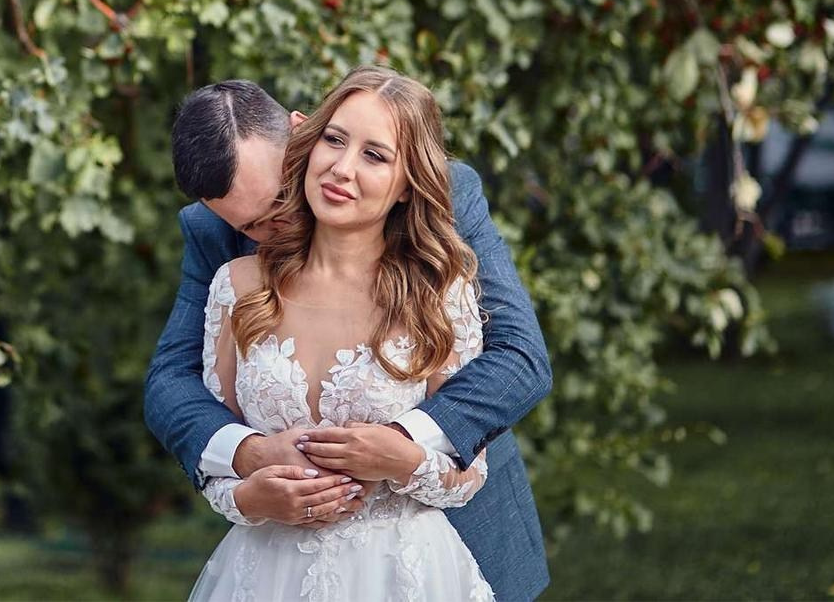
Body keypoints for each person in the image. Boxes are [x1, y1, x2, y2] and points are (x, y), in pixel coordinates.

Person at [144, 71, 551, 601]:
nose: (273, 231)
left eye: (278, 201)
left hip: (442, 544)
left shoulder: (441, 197)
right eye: (249, 229)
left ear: (301, 132)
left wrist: (400, 445)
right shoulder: (220, 248)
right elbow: (170, 382)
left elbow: (519, 357)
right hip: (280, 563)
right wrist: (248, 455)